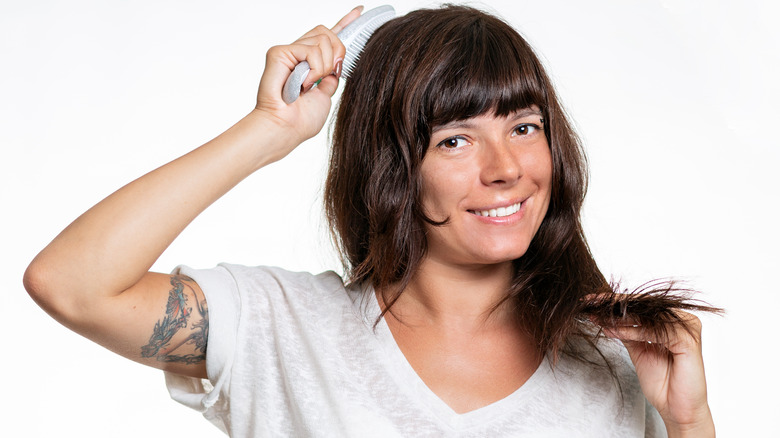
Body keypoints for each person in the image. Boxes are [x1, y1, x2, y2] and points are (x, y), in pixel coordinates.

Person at [24, 4, 719, 437]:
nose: (506, 167)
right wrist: (269, 130)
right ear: (392, 167)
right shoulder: (279, 327)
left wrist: (689, 424)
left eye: (525, 126)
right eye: (454, 138)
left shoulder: (611, 359)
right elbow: (71, 284)